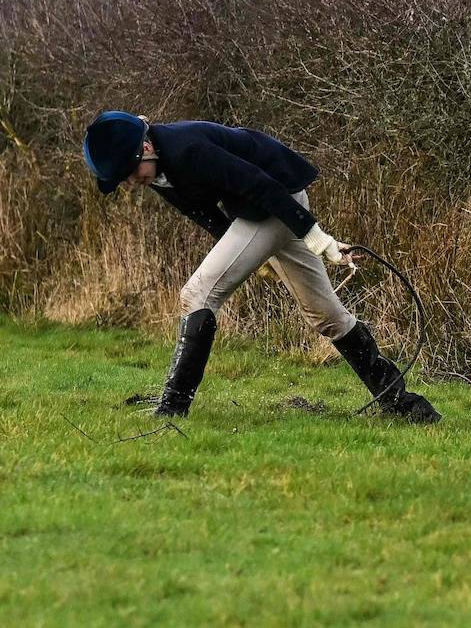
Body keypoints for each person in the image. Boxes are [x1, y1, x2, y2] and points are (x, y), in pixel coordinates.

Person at [81, 111, 440, 423]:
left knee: (198, 294)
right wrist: (254, 259)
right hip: (261, 210)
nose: (131, 182)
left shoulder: (187, 150)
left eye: (130, 173)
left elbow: (260, 185)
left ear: (145, 148)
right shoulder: (158, 169)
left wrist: (321, 241)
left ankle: (172, 410)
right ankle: (401, 402)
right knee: (325, 314)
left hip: (276, 201)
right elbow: (206, 214)